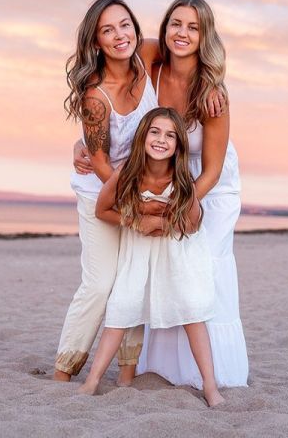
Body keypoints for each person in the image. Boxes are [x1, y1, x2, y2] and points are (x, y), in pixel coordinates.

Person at [74, 0, 248, 389]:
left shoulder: (212, 93)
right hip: (160, 171)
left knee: (204, 265)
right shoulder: (150, 57)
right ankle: (165, 367)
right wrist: (82, 142)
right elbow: (106, 84)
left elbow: (215, 169)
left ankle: (215, 374)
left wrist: (181, 205)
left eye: (193, 27)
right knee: (164, 262)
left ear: (205, 36)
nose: (182, 34)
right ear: (164, 28)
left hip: (207, 182)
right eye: (176, 24)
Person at [78, 107, 225, 407]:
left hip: (177, 255)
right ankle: (92, 381)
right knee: (121, 308)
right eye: (155, 132)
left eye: (170, 135)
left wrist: (158, 222)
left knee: (192, 310)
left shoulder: (182, 179)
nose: (161, 140)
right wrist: (135, 222)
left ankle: (211, 387)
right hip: (139, 253)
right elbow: (102, 210)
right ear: (143, 136)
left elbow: (194, 222)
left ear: (178, 146)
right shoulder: (127, 174)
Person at [54, 0, 158, 383]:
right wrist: (132, 204)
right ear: (96, 42)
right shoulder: (96, 96)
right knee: (99, 284)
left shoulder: (148, 53)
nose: (120, 36)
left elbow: (191, 55)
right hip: (101, 189)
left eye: (125, 24)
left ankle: (127, 373)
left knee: (134, 279)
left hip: (141, 187)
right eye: (108, 30)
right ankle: (65, 369)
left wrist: (214, 84)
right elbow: (99, 164)